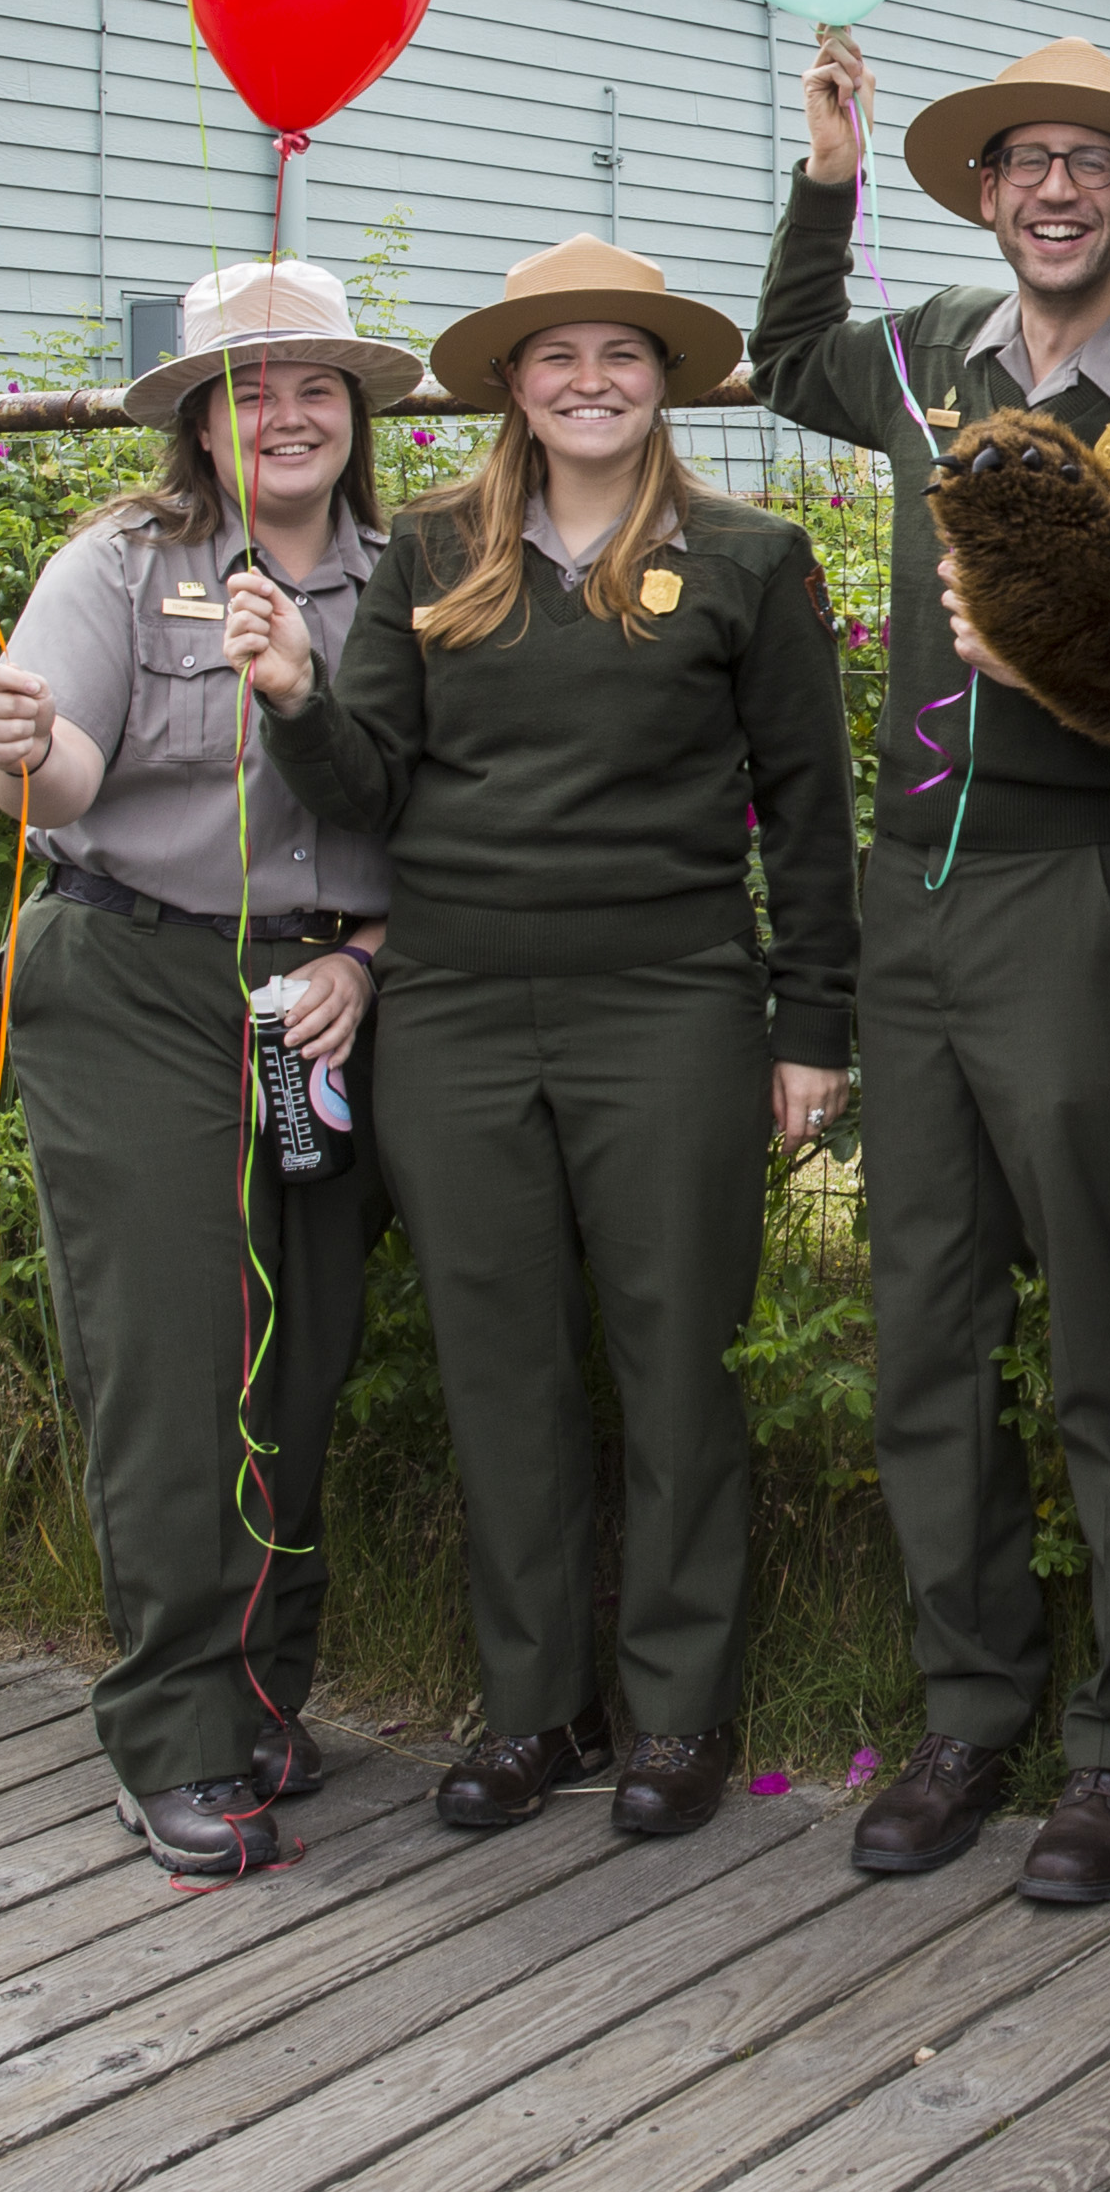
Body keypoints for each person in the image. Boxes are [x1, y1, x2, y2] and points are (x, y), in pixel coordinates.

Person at [229, 237, 862, 1841]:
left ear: (667, 380)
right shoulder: (435, 550)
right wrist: (300, 695)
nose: (590, 381)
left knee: (671, 1368)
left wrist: (812, 1024)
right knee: (498, 1372)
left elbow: (806, 811)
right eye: (557, 356)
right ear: (511, 382)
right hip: (451, 1013)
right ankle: (535, 1711)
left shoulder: (746, 555)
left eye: (623, 355)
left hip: (668, 1004)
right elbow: (367, 788)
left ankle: (673, 1716)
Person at [752, 30, 1110, 1904]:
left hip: (1071, 891)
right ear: (984, 190)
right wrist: (827, 175)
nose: (1051, 189)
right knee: (924, 1334)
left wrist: (1068, 680)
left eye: (1087, 165)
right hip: (907, 907)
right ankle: (964, 1708)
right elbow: (788, 357)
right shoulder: (932, 352)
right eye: (1021, 161)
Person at [0, 260, 421, 1877]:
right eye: (250, 386)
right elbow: (65, 763)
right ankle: (173, 1729)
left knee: (295, 1370)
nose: (286, 412)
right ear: (200, 422)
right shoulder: (119, 564)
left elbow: (441, 811)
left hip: (329, 998)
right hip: (136, 980)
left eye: (315, 383)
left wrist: (362, 966)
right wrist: (16, 741)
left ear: (356, 410)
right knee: (171, 1373)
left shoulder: (418, 573)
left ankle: (263, 1695)